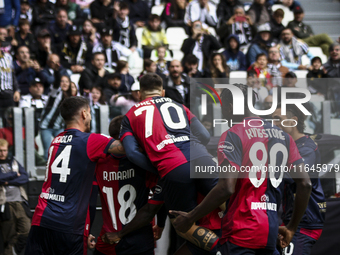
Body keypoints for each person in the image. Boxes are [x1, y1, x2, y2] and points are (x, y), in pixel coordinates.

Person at [171, 83, 312, 255]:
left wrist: (190, 217)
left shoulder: (233, 134)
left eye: (223, 107)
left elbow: (226, 187)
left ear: (231, 107)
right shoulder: (284, 135)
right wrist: (291, 228)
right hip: (270, 231)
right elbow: (305, 184)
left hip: (240, 233)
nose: (222, 112)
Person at [118, 73, 220, 251]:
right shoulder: (179, 106)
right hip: (203, 159)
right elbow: (204, 135)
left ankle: (221, 249)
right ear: (162, 92)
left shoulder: (130, 114)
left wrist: (158, 167)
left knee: (183, 224)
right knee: (226, 202)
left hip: (172, 166)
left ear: (140, 94)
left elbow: (133, 154)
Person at [25, 96, 124, 255]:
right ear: (84, 113)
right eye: (90, 113)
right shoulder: (91, 141)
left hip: (41, 220)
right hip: (69, 225)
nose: (90, 117)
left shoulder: (55, 140)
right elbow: (126, 148)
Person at [93, 115, 160, 255]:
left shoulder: (98, 163)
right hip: (139, 239)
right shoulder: (145, 162)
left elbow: (88, 200)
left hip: (107, 239)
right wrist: (161, 224)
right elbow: (158, 200)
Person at [272, 104, 326, 255]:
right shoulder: (286, 145)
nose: (273, 124)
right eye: (272, 119)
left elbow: (293, 178)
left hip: (304, 223)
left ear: (293, 121)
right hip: (290, 221)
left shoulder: (306, 147)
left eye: (278, 119)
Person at [0, 138, 31, 255]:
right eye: (0, 151)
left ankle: (12, 251)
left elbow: (24, 177)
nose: (2, 153)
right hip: (5, 203)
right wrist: (13, 174)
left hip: (20, 201)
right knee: (9, 234)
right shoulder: (13, 169)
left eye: (4, 150)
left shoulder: (13, 162)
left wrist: (8, 181)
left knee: (26, 229)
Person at [39, 68, 72, 160]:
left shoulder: (70, 97)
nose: (64, 83)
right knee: (48, 151)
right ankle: (46, 172)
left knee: (63, 150)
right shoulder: (55, 92)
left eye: (67, 81)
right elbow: (56, 83)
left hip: (59, 127)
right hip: (46, 126)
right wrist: (57, 72)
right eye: (62, 81)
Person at [0, 41, 20, 111]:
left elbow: (13, 75)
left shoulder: (8, 57)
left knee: (10, 118)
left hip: (9, 93)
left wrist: (17, 90)